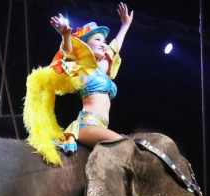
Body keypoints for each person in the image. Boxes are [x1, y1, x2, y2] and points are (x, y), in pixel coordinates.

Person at [23, 3, 134, 165]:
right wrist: (66, 36)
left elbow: (114, 48)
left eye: (105, 41)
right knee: (126, 146)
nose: (104, 44)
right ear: (86, 46)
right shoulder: (83, 72)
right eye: (98, 40)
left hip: (102, 127)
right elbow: (69, 60)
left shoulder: (101, 71)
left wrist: (125, 25)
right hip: (87, 125)